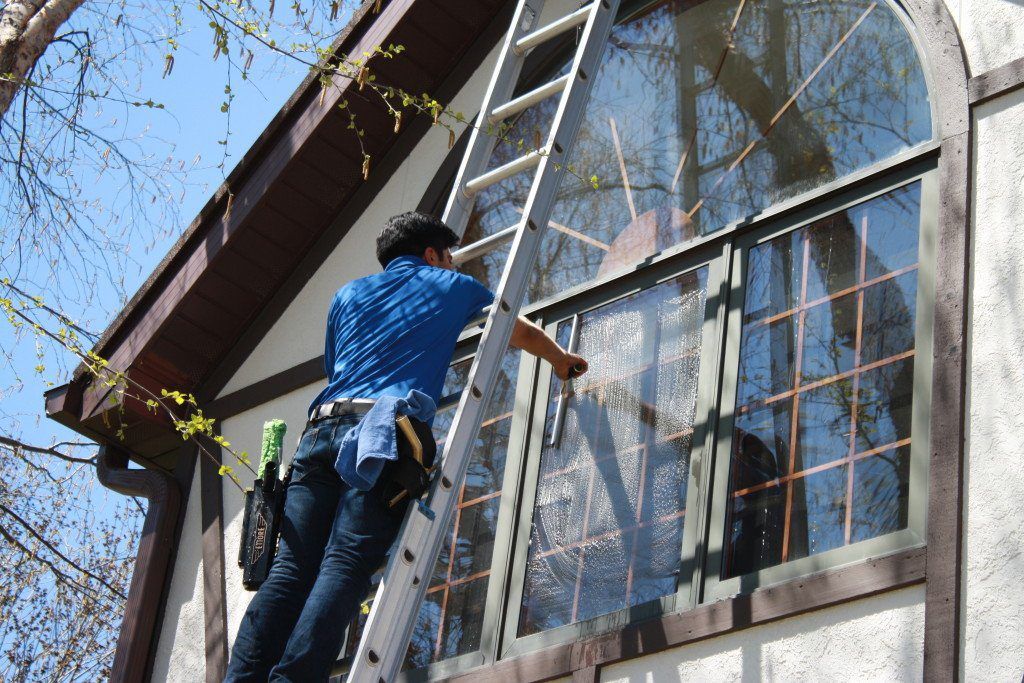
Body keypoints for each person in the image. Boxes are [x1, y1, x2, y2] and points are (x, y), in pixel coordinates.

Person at [225, 211, 588, 682]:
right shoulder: (451, 286)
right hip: (379, 434)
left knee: (292, 570)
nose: (453, 265)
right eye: (449, 257)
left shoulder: (346, 295)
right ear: (432, 254)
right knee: (346, 561)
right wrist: (560, 360)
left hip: (319, 433)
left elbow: (338, 369)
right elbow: (514, 330)